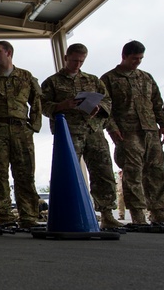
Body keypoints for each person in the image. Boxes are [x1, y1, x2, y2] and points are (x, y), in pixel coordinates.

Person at [39, 43, 121, 229]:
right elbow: (42, 105)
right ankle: (70, 214)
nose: (77, 64)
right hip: (68, 133)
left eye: (81, 61)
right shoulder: (52, 82)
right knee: (68, 173)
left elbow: (107, 101)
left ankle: (107, 213)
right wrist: (62, 105)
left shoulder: (93, 80)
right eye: (74, 60)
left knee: (103, 172)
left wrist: (99, 109)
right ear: (66, 57)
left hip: (93, 131)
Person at [101, 41, 164, 225]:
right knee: (132, 173)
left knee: (156, 171)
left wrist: (163, 125)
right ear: (124, 56)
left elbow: (156, 103)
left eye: (140, 59)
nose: (137, 62)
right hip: (127, 132)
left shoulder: (146, 78)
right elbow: (105, 108)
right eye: (134, 58)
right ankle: (138, 214)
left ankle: (157, 211)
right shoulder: (109, 79)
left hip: (150, 131)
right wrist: (112, 128)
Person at [0, 41, 42, 228]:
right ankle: (4, 217)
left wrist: (33, 127)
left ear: (8, 53)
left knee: (25, 174)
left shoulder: (26, 77)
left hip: (21, 131)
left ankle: (28, 216)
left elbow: (37, 102)